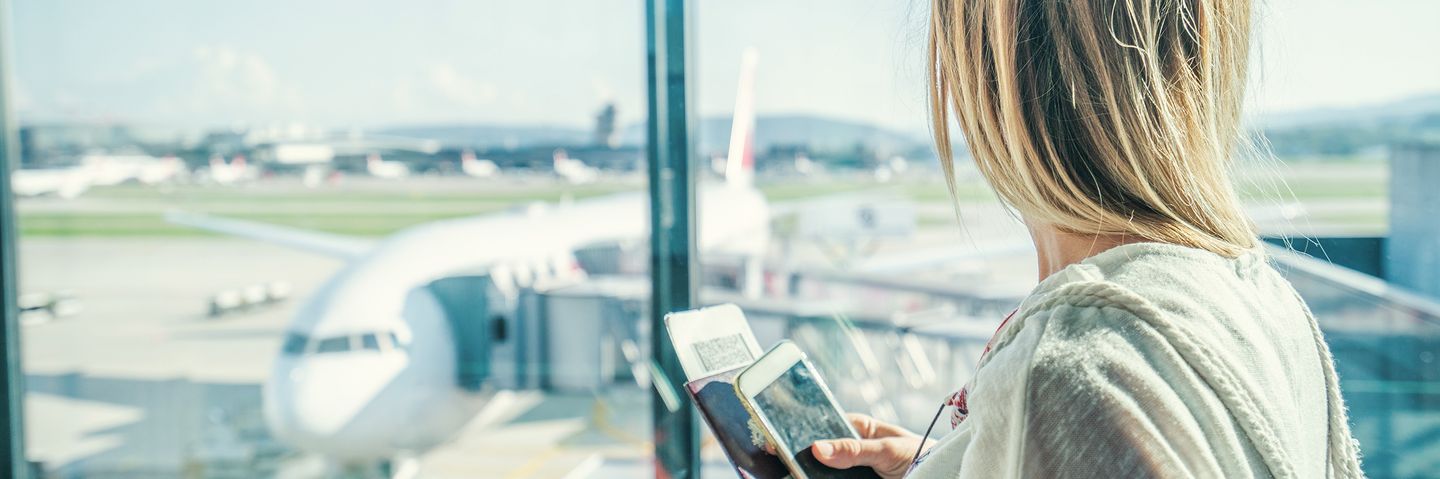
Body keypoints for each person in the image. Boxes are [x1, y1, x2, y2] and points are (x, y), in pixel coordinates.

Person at [810, 0, 1365, 477]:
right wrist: (971, 459)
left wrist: (1033, 437)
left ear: (986, 74)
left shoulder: (1067, 370)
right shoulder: (1264, 301)